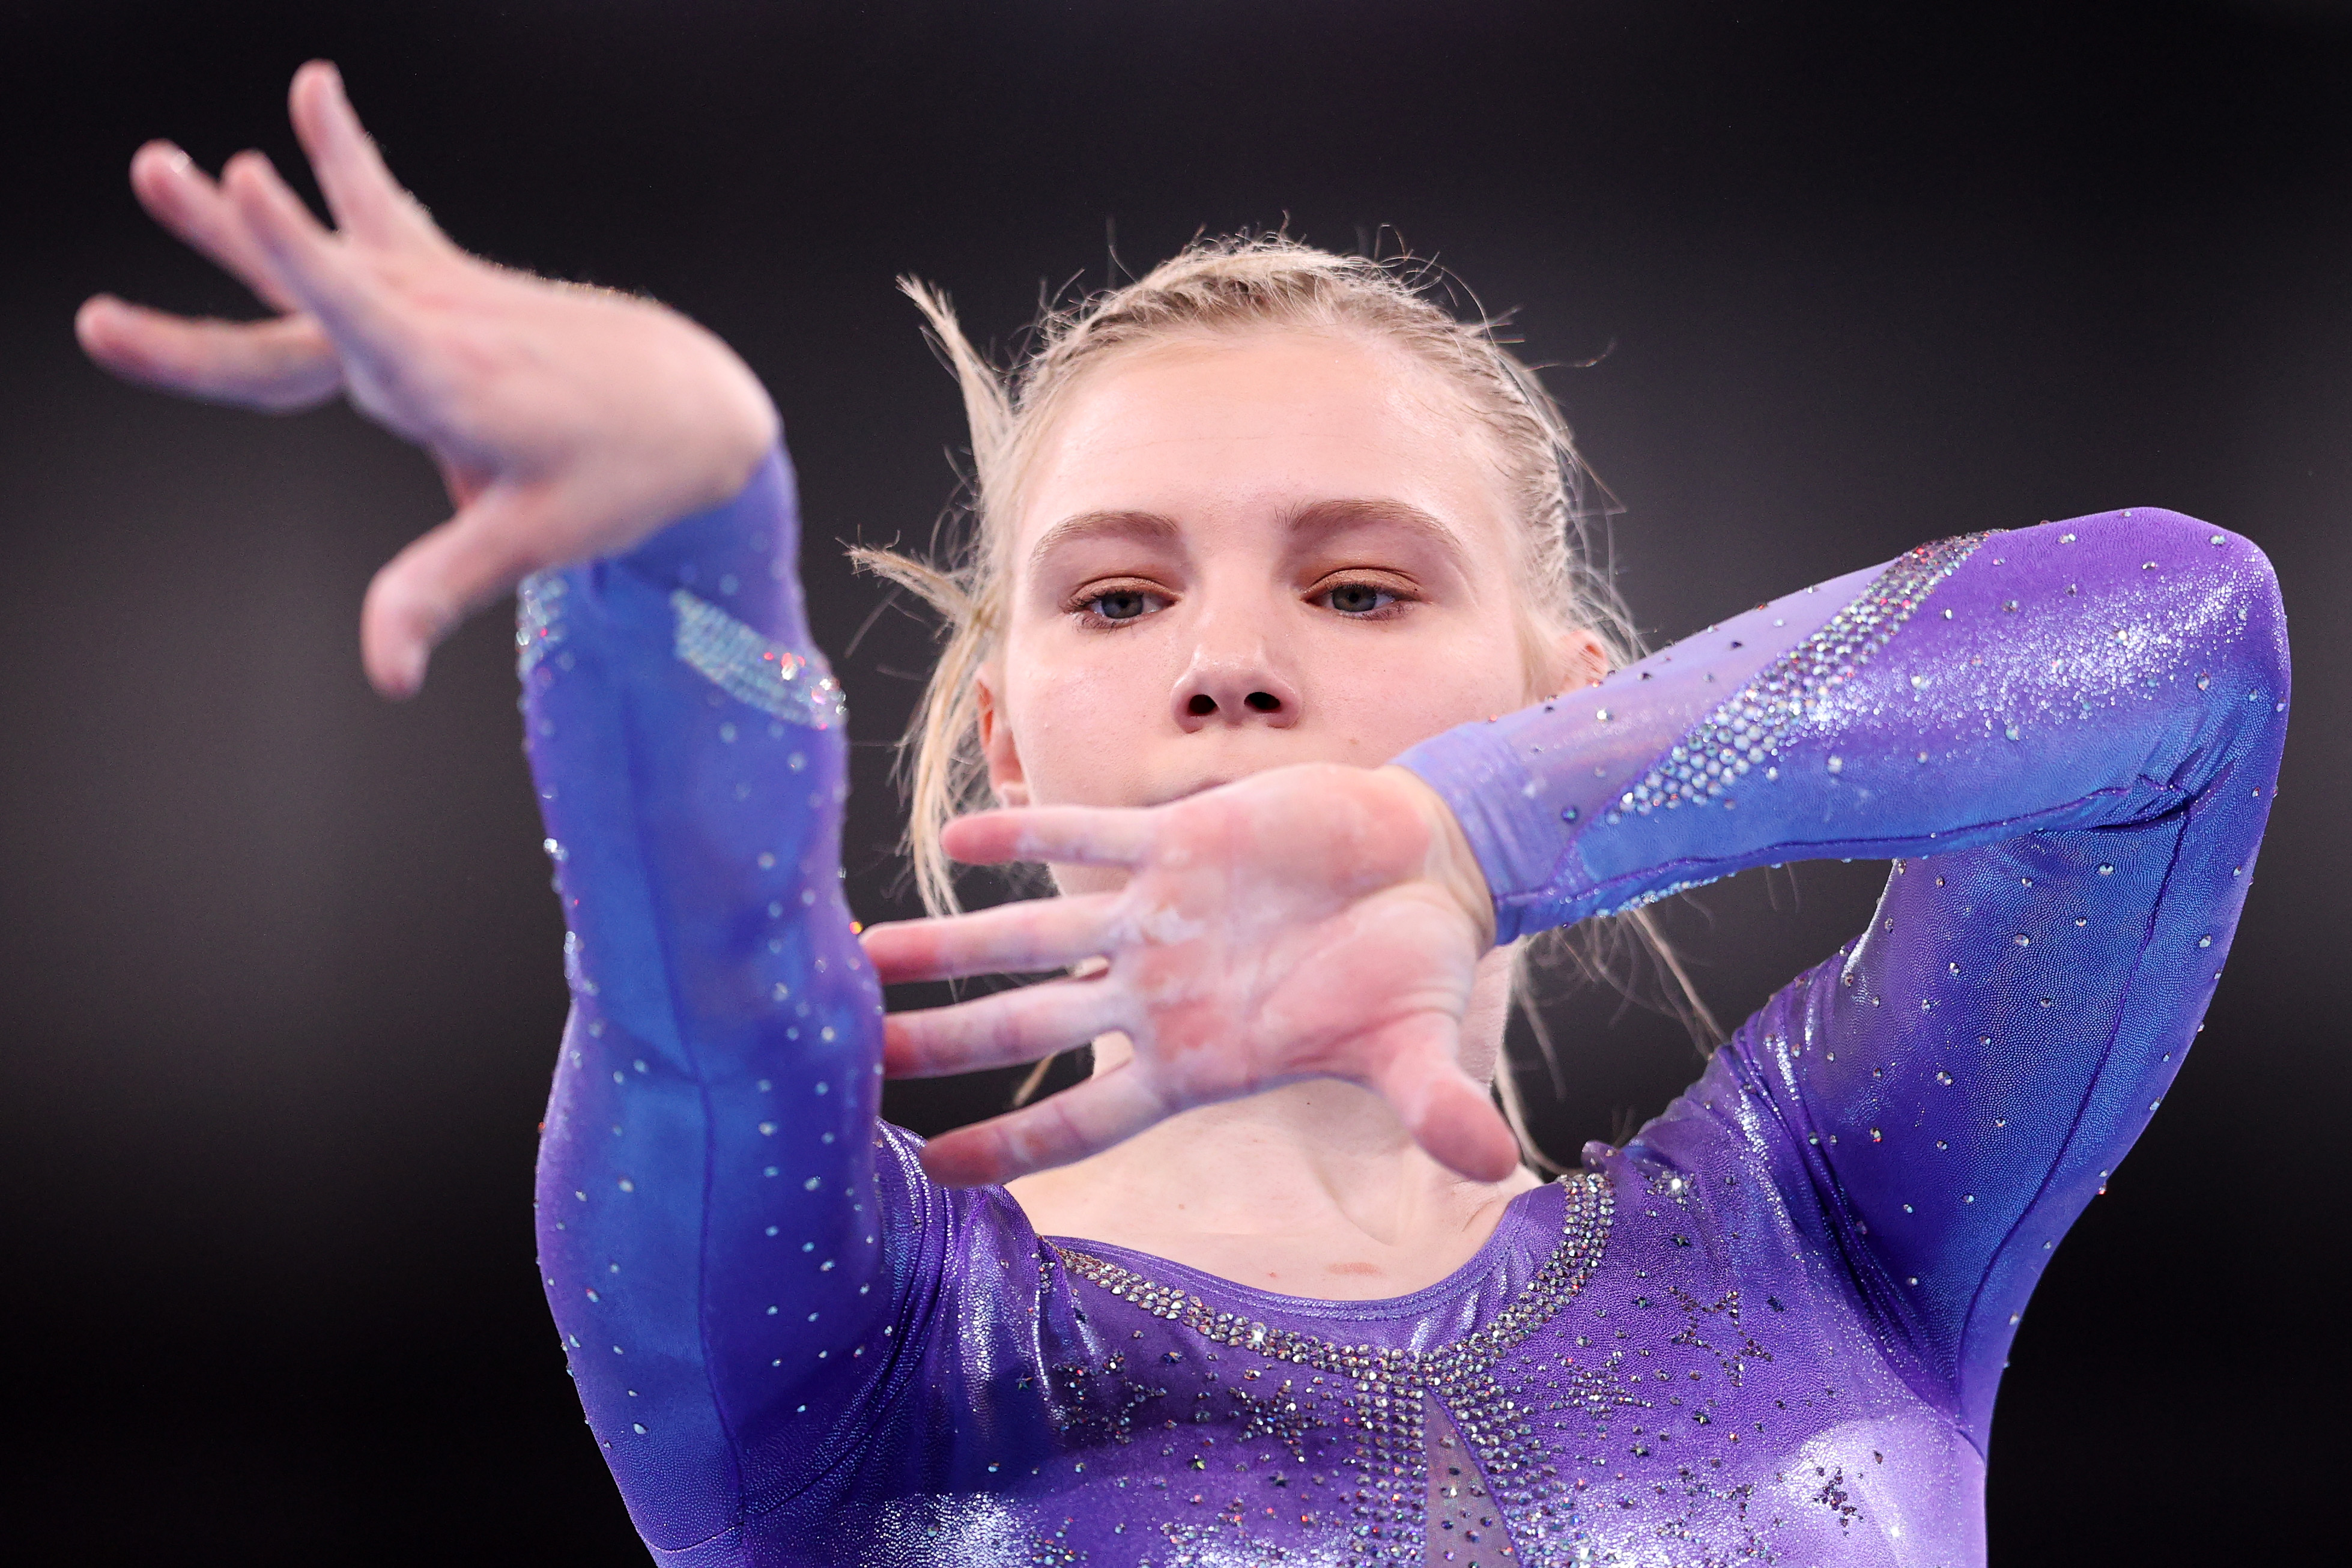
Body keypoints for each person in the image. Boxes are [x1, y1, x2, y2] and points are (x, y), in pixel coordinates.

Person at [79, 64, 2287, 1568]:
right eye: (1119, 596)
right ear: (1003, 747)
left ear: (1572, 699)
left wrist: (1495, 829)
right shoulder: (857, 1344)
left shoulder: (1822, 1218)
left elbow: (2187, 653)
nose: (1228, 658)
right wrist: (676, 556)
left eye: (1360, 584)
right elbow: (699, 996)